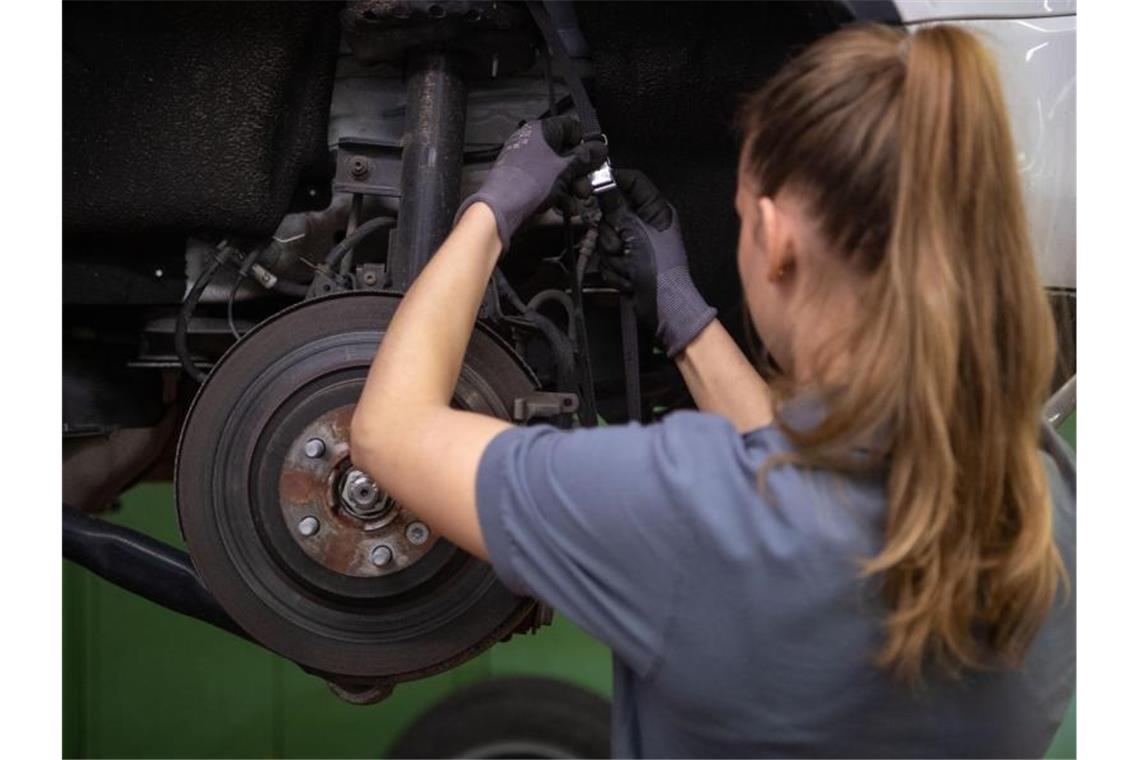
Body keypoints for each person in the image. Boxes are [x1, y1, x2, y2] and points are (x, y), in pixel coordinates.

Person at [350, 22, 1075, 758]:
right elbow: (794, 495)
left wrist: (490, 213)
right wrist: (683, 313)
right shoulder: (1050, 506)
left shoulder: (686, 510)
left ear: (778, 238)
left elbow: (389, 430)